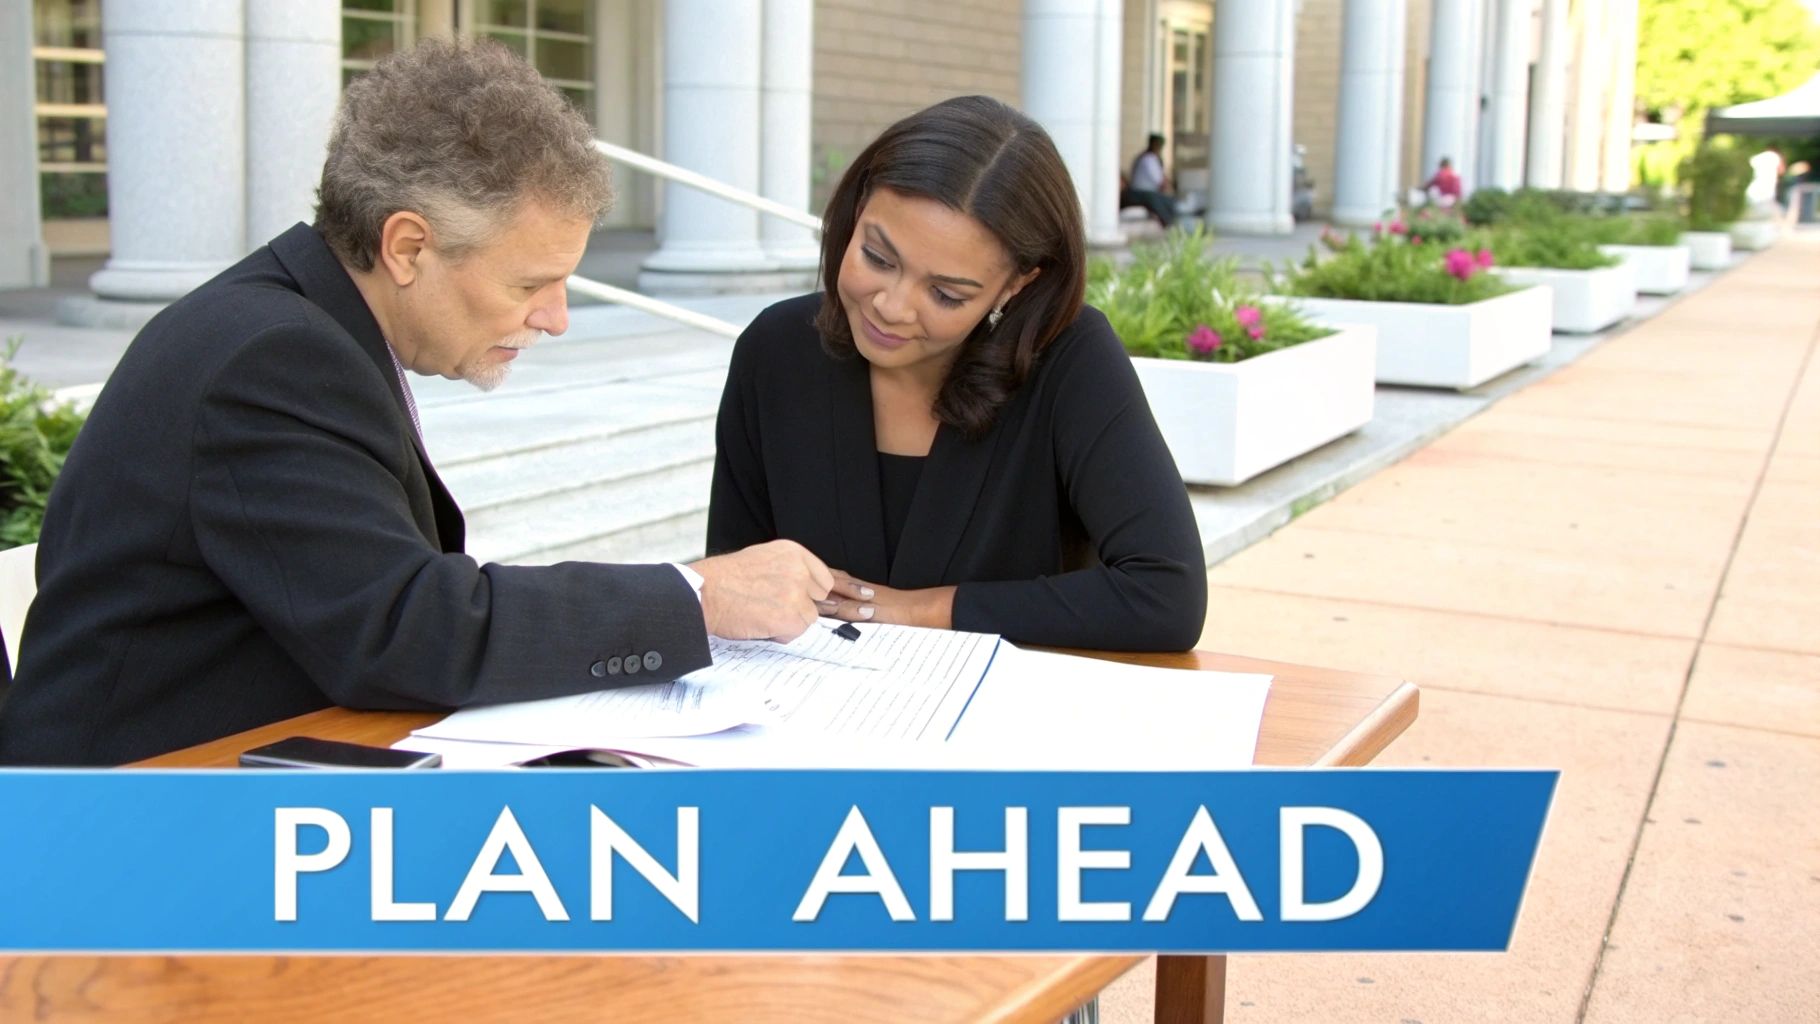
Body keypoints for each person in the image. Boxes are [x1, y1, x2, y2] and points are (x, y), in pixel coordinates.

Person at [0, 40, 833, 766]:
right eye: (530, 284)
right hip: (119, 825)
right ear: (406, 246)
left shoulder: (299, 325)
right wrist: (695, 596)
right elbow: (403, 629)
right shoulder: (273, 358)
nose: (556, 318)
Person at [706, 96, 1207, 652]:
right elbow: (735, 584)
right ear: (856, 210)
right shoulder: (776, 350)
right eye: (877, 258)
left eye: (945, 294)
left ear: (1017, 285)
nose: (892, 307)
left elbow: (1167, 594)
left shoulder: (1069, 359)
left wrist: (913, 610)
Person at [1120, 132, 1178, 228]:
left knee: (1168, 201)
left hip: (1146, 193)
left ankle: (1172, 224)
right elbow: (1160, 181)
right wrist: (1168, 187)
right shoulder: (1148, 158)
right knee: (1157, 201)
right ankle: (1169, 225)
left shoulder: (1149, 158)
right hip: (1139, 193)